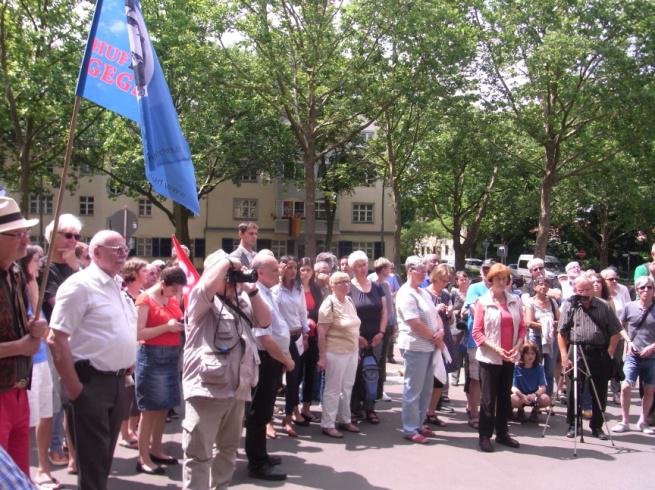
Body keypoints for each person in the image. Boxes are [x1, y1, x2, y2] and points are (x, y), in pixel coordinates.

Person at [48, 230, 137, 490]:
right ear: (96, 253)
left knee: (103, 461)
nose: (123, 254)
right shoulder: (80, 286)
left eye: (125, 248)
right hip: (91, 384)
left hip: (119, 383)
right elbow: (56, 338)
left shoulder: (117, 286)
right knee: (93, 464)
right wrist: (75, 388)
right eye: (116, 249)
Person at [181, 250, 270, 489]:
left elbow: (265, 320)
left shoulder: (240, 302)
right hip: (207, 390)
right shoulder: (201, 301)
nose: (231, 279)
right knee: (199, 454)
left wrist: (250, 288)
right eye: (228, 274)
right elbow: (207, 285)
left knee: (228, 451)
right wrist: (225, 262)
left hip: (237, 390)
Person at [0, 197, 46, 477]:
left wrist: (32, 326)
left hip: (18, 387)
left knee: (18, 477)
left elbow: (16, 322)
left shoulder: (15, 273)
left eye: (25, 233)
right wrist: (20, 345)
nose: (24, 241)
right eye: (17, 234)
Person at [245, 251, 294, 481]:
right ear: (260, 272)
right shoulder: (257, 295)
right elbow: (264, 338)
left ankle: (262, 455)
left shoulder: (266, 291)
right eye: (275, 269)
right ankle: (257, 464)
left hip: (273, 359)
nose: (280, 272)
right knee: (259, 412)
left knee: (265, 410)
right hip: (265, 359)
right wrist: (286, 359)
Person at [41, 214, 83, 475]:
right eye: (68, 235)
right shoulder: (45, 268)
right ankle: (55, 449)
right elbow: (60, 303)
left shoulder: (76, 267)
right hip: (54, 343)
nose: (73, 240)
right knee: (56, 402)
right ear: (52, 237)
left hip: (80, 343)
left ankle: (73, 455)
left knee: (75, 403)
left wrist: (77, 267)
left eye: (76, 236)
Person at [134, 266, 187, 475]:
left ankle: (156, 448)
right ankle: (143, 457)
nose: (177, 294)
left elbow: (175, 320)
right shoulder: (145, 299)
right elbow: (139, 332)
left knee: (163, 406)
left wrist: (179, 326)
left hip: (170, 355)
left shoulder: (171, 298)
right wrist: (168, 327)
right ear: (163, 285)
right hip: (151, 356)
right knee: (149, 410)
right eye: (174, 290)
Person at [558, 275, 621, 440]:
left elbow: (616, 331)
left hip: (599, 352)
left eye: (587, 289)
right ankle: (574, 425)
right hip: (576, 350)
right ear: (575, 290)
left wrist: (610, 351)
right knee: (574, 390)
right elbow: (561, 332)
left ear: (593, 289)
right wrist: (564, 355)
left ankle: (597, 426)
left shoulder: (603, 306)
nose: (584, 293)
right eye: (581, 290)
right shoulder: (570, 306)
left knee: (599, 391)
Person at [19, 245, 60, 489]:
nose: (41, 263)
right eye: (37, 259)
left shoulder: (33, 286)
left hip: (43, 359)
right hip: (28, 364)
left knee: (46, 414)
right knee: (28, 422)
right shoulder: (17, 287)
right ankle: (27, 473)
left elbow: (42, 323)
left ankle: (43, 468)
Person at [473, 263, 525, 452]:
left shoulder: (515, 300)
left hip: (510, 356)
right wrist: (497, 349)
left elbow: (522, 328)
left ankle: (502, 433)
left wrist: (517, 347)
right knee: (488, 398)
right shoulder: (483, 302)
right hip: (490, 357)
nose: (502, 282)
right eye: (498, 278)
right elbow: (477, 333)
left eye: (505, 279)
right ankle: (485, 435)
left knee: (504, 397)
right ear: (491, 280)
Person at [396, 256, 444, 444]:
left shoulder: (423, 293)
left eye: (426, 271)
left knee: (426, 389)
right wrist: (435, 337)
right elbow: (414, 323)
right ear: (410, 271)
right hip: (416, 346)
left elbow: (435, 315)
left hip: (429, 346)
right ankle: (409, 428)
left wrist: (440, 331)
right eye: (421, 271)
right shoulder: (405, 293)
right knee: (413, 388)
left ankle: (419, 423)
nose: (425, 274)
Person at [317, 271, 361, 438]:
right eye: (341, 282)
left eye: (347, 281)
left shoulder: (349, 300)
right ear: (332, 286)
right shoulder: (329, 304)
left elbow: (355, 326)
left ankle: (345, 419)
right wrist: (322, 357)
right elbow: (321, 333)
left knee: (347, 387)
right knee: (333, 389)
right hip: (335, 352)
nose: (346, 284)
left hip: (351, 351)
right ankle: (328, 424)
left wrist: (356, 349)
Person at [611, 276, 655, 434]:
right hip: (632, 355)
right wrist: (628, 341)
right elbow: (619, 326)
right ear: (636, 290)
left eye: (649, 287)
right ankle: (625, 421)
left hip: (652, 357)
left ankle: (643, 421)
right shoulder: (629, 307)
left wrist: (652, 347)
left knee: (649, 389)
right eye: (642, 287)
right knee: (626, 386)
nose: (646, 290)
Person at [348, 251, 387, 424]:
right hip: (356, 337)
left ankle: (370, 408)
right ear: (352, 268)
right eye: (358, 265)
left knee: (373, 373)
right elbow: (346, 315)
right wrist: (357, 337)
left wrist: (381, 333)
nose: (362, 268)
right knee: (355, 373)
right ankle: (355, 408)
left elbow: (385, 311)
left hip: (376, 337)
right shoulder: (348, 287)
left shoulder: (377, 286)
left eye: (364, 264)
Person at [273, 255, 310, 436]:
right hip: (278, 339)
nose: (293, 271)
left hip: (295, 338)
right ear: (280, 268)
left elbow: (303, 312)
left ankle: (288, 418)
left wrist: (305, 333)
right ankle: (267, 420)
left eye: (295, 267)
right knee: (273, 381)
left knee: (294, 380)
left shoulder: (298, 288)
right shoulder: (273, 289)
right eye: (288, 267)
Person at [118, 258, 149, 451]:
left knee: (138, 394)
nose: (148, 274)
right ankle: (123, 433)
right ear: (134, 273)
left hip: (143, 348)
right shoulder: (123, 296)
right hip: (127, 348)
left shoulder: (145, 294)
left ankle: (131, 429)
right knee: (127, 394)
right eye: (144, 271)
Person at [463, 259, 495, 429]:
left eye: (490, 269)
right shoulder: (475, 288)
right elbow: (475, 310)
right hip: (477, 341)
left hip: (496, 343)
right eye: (485, 269)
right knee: (475, 378)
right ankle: (474, 413)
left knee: (490, 379)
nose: (487, 272)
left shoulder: (501, 289)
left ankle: (488, 413)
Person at [424, 264, 456, 427]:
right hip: (429, 337)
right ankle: (422, 412)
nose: (445, 283)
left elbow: (450, 321)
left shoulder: (445, 294)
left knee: (440, 377)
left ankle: (431, 411)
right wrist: (435, 310)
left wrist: (450, 314)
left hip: (444, 336)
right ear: (435, 277)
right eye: (443, 280)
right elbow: (422, 318)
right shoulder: (424, 294)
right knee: (426, 376)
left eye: (447, 281)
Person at [524, 276, 559, 399]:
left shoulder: (553, 302)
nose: (543, 287)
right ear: (535, 287)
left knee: (549, 370)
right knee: (535, 367)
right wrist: (545, 324)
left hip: (550, 339)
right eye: (540, 284)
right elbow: (528, 322)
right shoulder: (531, 302)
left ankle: (546, 399)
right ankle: (532, 396)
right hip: (536, 338)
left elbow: (559, 320)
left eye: (546, 284)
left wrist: (553, 324)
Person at [298, 257, 322, 421]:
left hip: (313, 335)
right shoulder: (293, 287)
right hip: (297, 335)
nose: (305, 273)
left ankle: (306, 407)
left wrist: (311, 319)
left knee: (310, 372)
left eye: (308, 270)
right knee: (296, 373)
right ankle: (293, 408)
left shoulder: (315, 289)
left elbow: (319, 310)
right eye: (302, 270)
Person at [370, 257, 397, 400]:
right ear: (382, 269)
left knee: (382, 358)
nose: (391, 270)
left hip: (388, 326)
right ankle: (372, 389)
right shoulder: (372, 283)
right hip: (377, 327)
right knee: (374, 357)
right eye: (388, 267)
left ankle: (380, 390)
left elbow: (390, 307)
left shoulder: (386, 285)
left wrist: (394, 323)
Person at [511, 343, 551, 422]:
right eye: (527, 353)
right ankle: (520, 410)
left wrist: (535, 394)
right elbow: (513, 387)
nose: (530, 356)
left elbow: (543, 387)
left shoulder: (539, 367)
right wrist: (522, 395)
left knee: (546, 399)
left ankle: (535, 411)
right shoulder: (516, 367)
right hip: (520, 395)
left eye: (533, 353)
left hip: (533, 395)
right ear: (523, 355)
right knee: (512, 399)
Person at [450, 271, 470, 386]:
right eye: (461, 279)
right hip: (457, 327)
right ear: (457, 281)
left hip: (469, 327)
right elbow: (450, 308)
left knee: (468, 354)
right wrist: (456, 312)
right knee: (457, 353)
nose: (464, 281)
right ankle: (454, 377)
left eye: (465, 278)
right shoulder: (454, 294)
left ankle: (468, 378)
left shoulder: (472, 293)